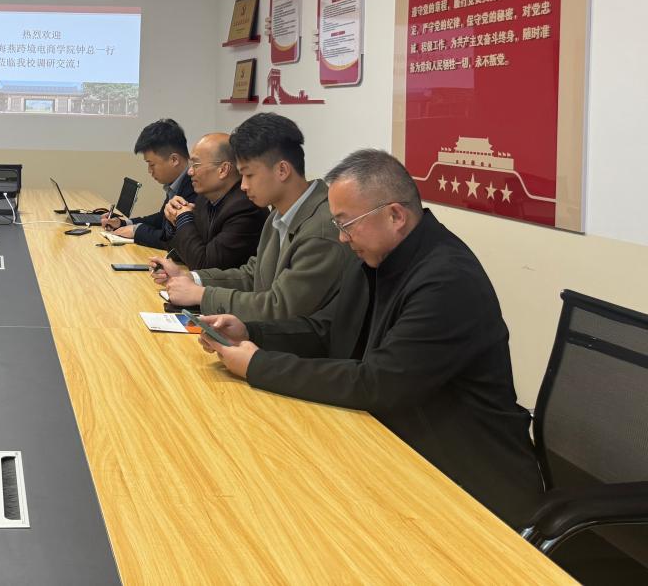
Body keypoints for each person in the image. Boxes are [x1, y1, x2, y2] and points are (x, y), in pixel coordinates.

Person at [195, 149, 541, 526]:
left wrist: (257, 365)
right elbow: (329, 330)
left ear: (395, 215)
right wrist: (252, 331)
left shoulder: (445, 280)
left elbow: (376, 383)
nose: (341, 238)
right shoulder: (379, 257)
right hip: (397, 446)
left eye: (347, 224)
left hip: (466, 479)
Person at [154, 112, 353, 320]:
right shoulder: (279, 214)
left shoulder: (321, 231)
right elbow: (253, 274)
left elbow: (280, 308)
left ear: (282, 170)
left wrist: (202, 295)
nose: (243, 185)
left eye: (249, 175)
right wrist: (191, 278)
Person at [162, 132, 267, 271]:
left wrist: (184, 219)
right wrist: (174, 219)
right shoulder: (204, 198)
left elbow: (204, 265)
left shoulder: (245, 208)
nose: (190, 172)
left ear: (223, 170)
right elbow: (180, 253)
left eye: (196, 164)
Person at [101, 118, 195, 248]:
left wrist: (137, 231)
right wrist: (124, 223)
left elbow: (177, 240)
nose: (149, 171)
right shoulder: (177, 182)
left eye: (152, 164)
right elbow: (162, 219)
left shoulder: (196, 185)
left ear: (174, 160)